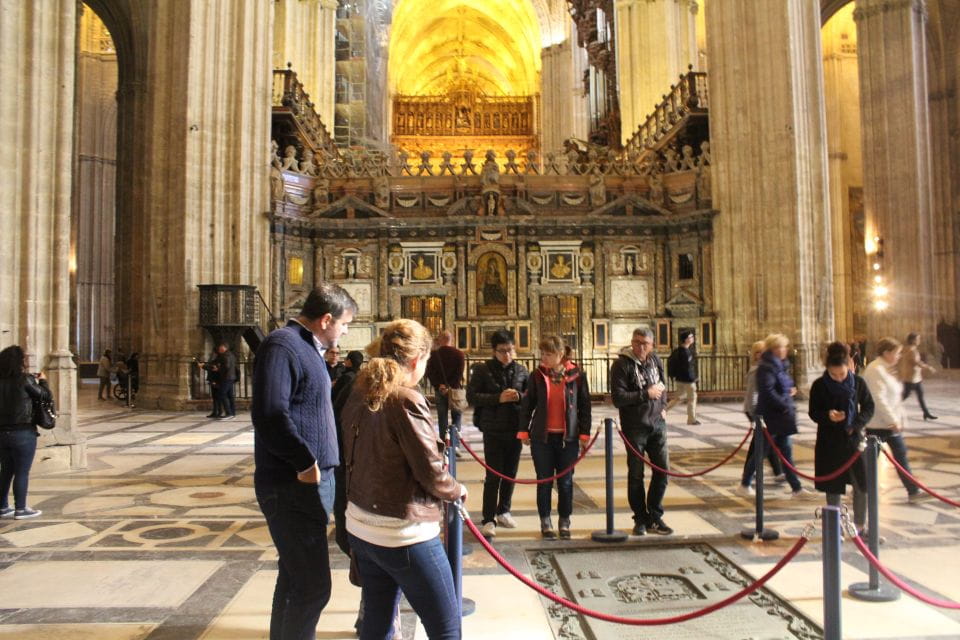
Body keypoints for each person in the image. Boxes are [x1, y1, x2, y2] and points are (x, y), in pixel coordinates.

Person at [341, 319, 466, 640]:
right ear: (416, 359)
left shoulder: (359, 391)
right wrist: (457, 490)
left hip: (361, 526)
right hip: (402, 533)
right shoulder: (405, 399)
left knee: (378, 623)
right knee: (446, 627)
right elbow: (431, 471)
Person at [251, 283, 357, 640]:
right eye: (344, 324)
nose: (344, 331)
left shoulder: (306, 347)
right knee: (313, 587)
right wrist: (304, 463)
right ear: (326, 319)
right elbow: (269, 412)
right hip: (291, 484)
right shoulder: (283, 344)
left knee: (294, 579)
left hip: (308, 482)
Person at [518, 335, 591, 540]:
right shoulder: (537, 375)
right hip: (542, 438)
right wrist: (523, 430)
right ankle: (545, 521)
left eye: (548, 354)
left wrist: (584, 434)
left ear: (560, 355)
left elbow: (584, 407)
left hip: (568, 439)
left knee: (566, 482)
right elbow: (527, 405)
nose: (543, 357)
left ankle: (565, 521)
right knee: (544, 481)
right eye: (542, 353)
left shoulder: (577, 375)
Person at [466, 330, 529, 538]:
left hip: (514, 428)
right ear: (494, 351)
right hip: (492, 429)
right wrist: (497, 398)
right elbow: (472, 396)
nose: (507, 355)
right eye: (502, 351)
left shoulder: (521, 370)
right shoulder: (483, 370)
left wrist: (519, 396)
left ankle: (504, 511)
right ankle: (488, 517)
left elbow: (530, 397)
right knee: (493, 475)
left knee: (510, 474)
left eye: (510, 350)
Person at [610, 328, 673, 536]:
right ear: (632, 342)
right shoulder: (621, 365)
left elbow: (663, 386)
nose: (641, 346)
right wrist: (646, 394)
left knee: (662, 471)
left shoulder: (656, 360)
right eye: (637, 342)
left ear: (652, 345)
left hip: (657, 424)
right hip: (634, 426)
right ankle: (640, 518)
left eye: (645, 343)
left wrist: (663, 407)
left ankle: (655, 515)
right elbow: (618, 397)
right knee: (636, 474)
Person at [808, 342, 875, 533]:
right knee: (833, 487)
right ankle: (834, 527)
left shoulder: (858, 383)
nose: (838, 378)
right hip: (830, 442)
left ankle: (861, 526)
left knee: (861, 485)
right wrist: (828, 415)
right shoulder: (819, 386)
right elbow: (813, 412)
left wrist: (857, 423)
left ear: (849, 367)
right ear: (827, 369)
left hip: (853, 441)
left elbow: (869, 406)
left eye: (842, 374)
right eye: (834, 374)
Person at [863, 337, 928, 504]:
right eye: (897, 353)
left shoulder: (885, 368)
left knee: (898, 455)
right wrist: (892, 420)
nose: (899, 356)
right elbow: (878, 398)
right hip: (879, 424)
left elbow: (894, 397)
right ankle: (860, 489)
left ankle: (912, 490)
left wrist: (899, 418)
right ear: (886, 353)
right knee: (873, 459)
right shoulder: (875, 369)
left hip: (887, 423)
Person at [755, 333, 813, 498]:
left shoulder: (780, 365)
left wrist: (789, 392)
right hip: (773, 416)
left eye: (785, 346)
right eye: (781, 346)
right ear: (773, 349)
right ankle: (746, 481)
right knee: (760, 454)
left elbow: (780, 386)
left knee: (785, 452)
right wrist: (784, 403)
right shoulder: (767, 366)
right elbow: (767, 391)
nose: (784, 350)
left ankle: (796, 488)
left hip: (781, 416)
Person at [0, 345, 51, 520]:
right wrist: (43, 381)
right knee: (22, 471)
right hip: (22, 432)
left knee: (5, 470)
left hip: (1, 433)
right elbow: (44, 396)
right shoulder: (24, 380)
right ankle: (21, 509)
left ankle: (2, 506)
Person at [736, 340, 785, 496]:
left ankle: (777, 472)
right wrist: (756, 415)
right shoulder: (756, 371)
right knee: (762, 445)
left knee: (765, 444)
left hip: (763, 412)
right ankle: (746, 481)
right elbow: (754, 395)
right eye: (758, 352)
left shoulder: (766, 369)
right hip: (756, 411)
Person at [424, 330, 465, 446]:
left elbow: (430, 373)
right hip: (455, 391)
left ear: (440, 340)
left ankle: (444, 443)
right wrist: (451, 387)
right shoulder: (459, 354)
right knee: (456, 417)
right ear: (451, 339)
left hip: (439, 390)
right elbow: (459, 374)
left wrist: (439, 385)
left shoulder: (433, 355)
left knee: (442, 418)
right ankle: (455, 445)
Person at [900, 332, 937, 420]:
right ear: (913, 340)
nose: (919, 340)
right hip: (911, 378)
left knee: (920, 395)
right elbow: (916, 362)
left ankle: (926, 413)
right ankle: (890, 407)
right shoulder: (911, 350)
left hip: (915, 377)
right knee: (904, 396)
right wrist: (929, 367)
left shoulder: (908, 348)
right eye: (918, 339)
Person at [666, 330, 700, 425]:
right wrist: (693, 379)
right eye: (690, 337)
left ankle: (663, 411)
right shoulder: (686, 353)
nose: (692, 338)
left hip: (679, 379)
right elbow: (687, 368)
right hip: (688, 381)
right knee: (692, 399)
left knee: (678, 398)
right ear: (686, 340)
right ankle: (691, 419)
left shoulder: (677, 351)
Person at [213, 344, 238, 420]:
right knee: (230, 395)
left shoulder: (225, 356)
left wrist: (218, 369)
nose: (219, 350)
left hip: (226, 377)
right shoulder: (232, 355)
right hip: (231, 377)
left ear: (225, 348)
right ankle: (232, 412)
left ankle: (229, 413)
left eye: (221, 348)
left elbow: (226, 366)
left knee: (221, 394)